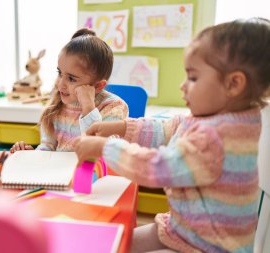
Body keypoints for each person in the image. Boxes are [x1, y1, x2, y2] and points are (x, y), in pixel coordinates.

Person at [74, 17, 270, 253]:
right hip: (185, 230)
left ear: (234, 84)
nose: (183, 85)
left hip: (208, 247)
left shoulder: (216, 138)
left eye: (193, 77)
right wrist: (119, 127)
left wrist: (104, 147)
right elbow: (169, 128)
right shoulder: (216, 119)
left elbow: (158, 168)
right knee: (113, 243)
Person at [10, 28, 128, 153]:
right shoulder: (57, 105)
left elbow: (98, 151)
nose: (60, 84)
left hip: (92, 172)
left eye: (71, 78)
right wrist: (32, 155)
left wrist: (88, 106)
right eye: (59, 73)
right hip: (61, 172)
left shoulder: (114, 107)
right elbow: (48, 147)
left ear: (98, 86)